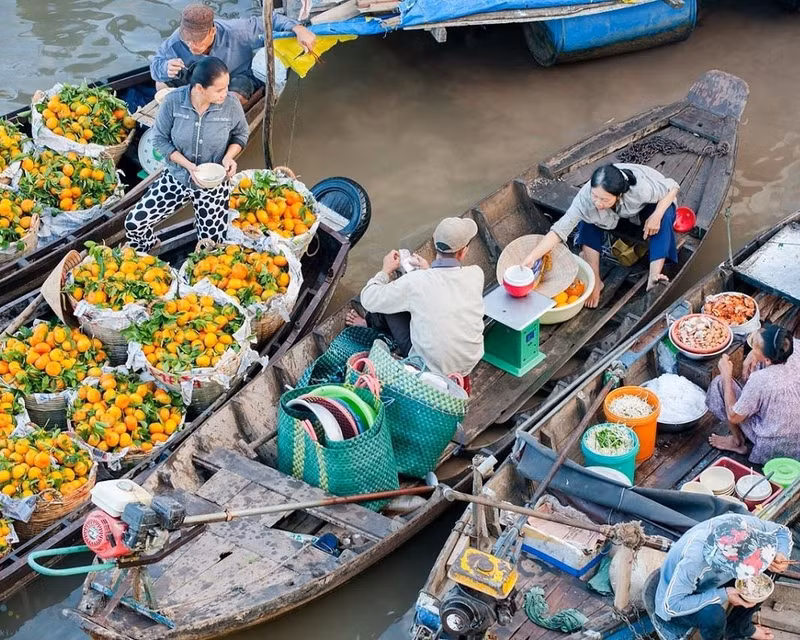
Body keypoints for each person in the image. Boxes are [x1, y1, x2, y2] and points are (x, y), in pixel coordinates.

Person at [125, 57, 247, 252]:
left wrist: (228, 157)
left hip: (213, 183)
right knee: (134, 223)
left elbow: (241, 134)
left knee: (211, 244)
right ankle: (149, 251)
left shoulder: (231, 105)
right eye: (219, 90)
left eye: (226, 87)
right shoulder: (173, 102)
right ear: (199, 88)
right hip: (177, 177)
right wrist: (188, 166)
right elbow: (160, 139)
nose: (226, 93)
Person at [523, 163, 679, 308]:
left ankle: (654, 275)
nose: (597, 202)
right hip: (612, 216)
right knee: (587, 220)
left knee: (665, 216)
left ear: (618, 196)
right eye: (595, 196)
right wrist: (532, 256)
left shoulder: (640, 189)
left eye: (604, 199)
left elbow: (673, 187)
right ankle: (595, 280)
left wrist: (656, 216)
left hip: (647, 206)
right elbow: (559, 230)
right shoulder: (586, 198)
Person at [346, 217, 485, 378]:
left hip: (429, 368)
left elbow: (369, 299)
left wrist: (385, 271)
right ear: (463, 252)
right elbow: (445, 285)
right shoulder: (476, 274)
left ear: (434, 244)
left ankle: (368, 324)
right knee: (417, 302)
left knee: (389, 303)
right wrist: (427, 270)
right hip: (469, 363)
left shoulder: (416, 282)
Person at [653, 513, 791, 640]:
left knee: (772, 568)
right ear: (724, 562)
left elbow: (782, 531)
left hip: (714, 580)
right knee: (714, 616)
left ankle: (739, 626)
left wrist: (781, 554)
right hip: (680, 597)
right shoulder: (694, 561)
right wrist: (723, 594)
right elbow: (670, 605)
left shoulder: (742, 525)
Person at [150, 4, 316, 103]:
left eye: (198, 40)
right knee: (161, 84)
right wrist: (165, 68)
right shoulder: (175, 40)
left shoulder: (237, 31)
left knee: (233, 100)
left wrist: (298, 28)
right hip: (199, 78)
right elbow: (156, 66)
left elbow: (272, 20)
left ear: (212, 32)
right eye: (187, 40)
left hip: (235, 76)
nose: (191, 46)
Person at [707, 324, 800, 462]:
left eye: (755, 348)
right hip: (796, 442)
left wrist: (727, 376)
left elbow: (733, 416)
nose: (753, 349)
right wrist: (753, 354)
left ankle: (737, 441)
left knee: (719, 383)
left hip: (771, 446)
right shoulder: (794, 346)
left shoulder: (761, 381)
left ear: (768, 359)